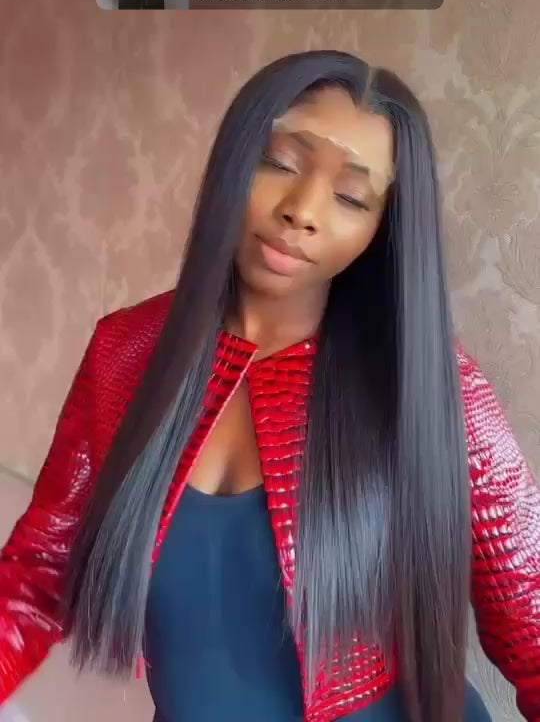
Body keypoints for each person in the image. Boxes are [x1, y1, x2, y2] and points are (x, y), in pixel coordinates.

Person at [0, 50, 538, 722]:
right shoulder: (124, 353)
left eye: (351, 197)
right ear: (235, 159)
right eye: (281, 161)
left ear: (382, 227)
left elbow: (532, 623)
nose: (301, 210)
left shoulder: (432, 388)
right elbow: (37, 572)